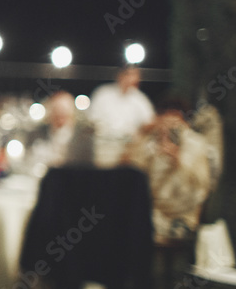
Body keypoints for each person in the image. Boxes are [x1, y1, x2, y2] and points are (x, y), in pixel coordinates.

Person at [122, 94, 212, 243]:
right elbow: (132, 173)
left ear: (185, 123)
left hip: (181, 216)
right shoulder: (151, 141)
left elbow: (200, 189)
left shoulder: (196, 144)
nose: (169, 126)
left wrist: (177, 160)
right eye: (164, 119)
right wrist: (144, 141)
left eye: (175, 122)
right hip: (150, 212)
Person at [87, 65, 155, 165]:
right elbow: (91, 121)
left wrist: (139, 136)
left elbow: (150, 122)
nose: (131, 79)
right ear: (119, 75)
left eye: (135, 75)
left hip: (130, 148)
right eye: (128, 74)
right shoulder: (103, 94)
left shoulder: (140, 99)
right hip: (105, 146)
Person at [25, 90, 94, 170]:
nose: (61, 113)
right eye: (57, 109)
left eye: (64, 110)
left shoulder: (83, 139)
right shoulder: (36, 133)